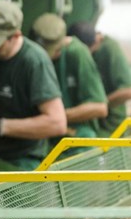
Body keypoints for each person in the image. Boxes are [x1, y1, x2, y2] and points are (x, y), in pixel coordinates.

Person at [0, 0, 67, 170]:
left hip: (20, 158)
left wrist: (0, 126)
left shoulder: (34, 62)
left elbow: (56, 122)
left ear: (16, 36)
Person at [31, 14, 107, 150]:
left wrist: (56, 118)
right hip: (46, 143)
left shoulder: (77, 53)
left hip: (78, 141)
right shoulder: (33, 58)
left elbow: (99, 107)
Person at [68, 21, 131, 137]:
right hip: (91, 124)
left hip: (111, 126)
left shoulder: (109, 48)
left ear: (96, 41)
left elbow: (127, 91)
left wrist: (97, 106)